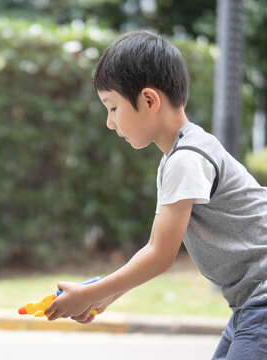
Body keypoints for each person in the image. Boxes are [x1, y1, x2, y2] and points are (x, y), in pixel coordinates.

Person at [45, 30, 267, 359]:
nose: (109, 122)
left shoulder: (186, 159)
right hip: (250, 304)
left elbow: (160, 254)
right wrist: (104, 294)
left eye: (113, 107)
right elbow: (154, 248)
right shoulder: (178, 156)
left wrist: (95, 292)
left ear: (149, 101)